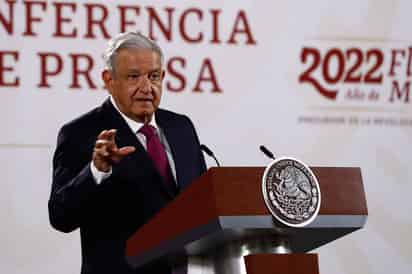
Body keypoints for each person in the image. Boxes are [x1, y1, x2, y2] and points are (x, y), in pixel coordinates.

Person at [48, 32, 207, 274]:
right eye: (133, 77)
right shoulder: (81, 133)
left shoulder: (181, 127)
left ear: (163, 77)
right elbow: (60, 217)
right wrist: (96, 171)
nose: (146, 87)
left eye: (154, 76)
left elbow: (202, 204)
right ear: (108, 79)